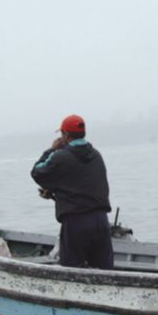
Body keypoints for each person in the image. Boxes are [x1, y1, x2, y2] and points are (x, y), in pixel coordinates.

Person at [31, 114, 114, 269]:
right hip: (101, 222)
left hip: (76, 223)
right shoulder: (96, 155)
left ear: (66, 135)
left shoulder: (60, 156)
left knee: (72, 271)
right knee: (105, 272)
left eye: (61, 134)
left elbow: (37, 172)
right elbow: (82, 181)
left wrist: (52, 149)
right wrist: (55, 189)